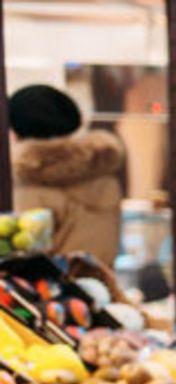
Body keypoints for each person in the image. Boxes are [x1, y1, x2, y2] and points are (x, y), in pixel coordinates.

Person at [9, 85, 124, 267]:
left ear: (16, 129)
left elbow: (24, 255)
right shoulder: (103, 175)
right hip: (99, 288)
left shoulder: (32, 185)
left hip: (51, 292)